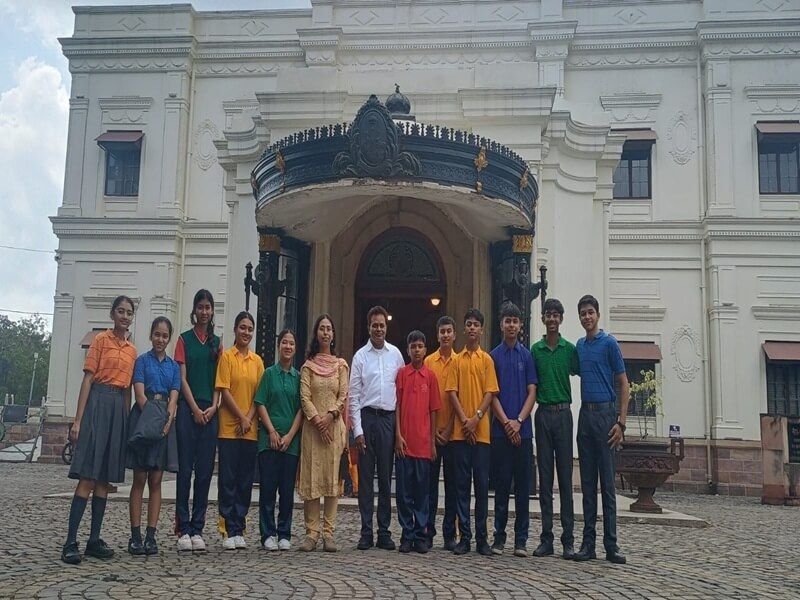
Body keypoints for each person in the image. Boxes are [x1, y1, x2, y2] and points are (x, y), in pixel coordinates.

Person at [61, 295, 138, 565]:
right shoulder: (100, 341)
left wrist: (126, 423)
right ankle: (70, 541)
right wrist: (78, 420)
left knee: (105, 478)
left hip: (118, 408)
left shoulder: (132, 350)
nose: (125, 316)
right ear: (112, 314)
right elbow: (88, 379)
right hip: (97, 402)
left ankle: (94, 539)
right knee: (88, 475)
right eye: (121, 311)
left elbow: (128, 390)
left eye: (129, 312)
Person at [574, 294, 629, 565]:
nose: (587, 317)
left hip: (606, 416)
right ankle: (588, 544)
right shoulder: (580, 346)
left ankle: (611, 544)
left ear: (597, 314)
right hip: (585, 415)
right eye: (583, 313)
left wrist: (621, 422)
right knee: (587, 485)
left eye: (590, 312)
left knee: (607, 484)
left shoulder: (610, 344)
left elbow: (624, 383)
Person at [349, 306, 405, 551]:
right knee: (365, 481)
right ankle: (366, 532)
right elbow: (353, 396)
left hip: (387, 421)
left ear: (386, 327)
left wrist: (398, 429)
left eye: (382, 325)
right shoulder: (360, 357)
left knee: (384, 478)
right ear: (369, 327)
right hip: (367, 418)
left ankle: (384, 531)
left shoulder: (396, 355)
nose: (378, 329)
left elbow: (400, 392)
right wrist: (357, 431)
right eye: (375, 325)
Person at [446, 308, 499, 557]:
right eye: (468, 324)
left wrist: (476, 418)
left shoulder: (486, 360)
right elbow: (452, 393)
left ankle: (482, 538)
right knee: (461, 487)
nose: (472, 328)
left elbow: (490, 393)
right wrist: (464, 421)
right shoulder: (456, 360)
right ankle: (464, 537)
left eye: (476, 324)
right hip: (460, 433)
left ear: (482, 329)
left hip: (482, 433)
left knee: (481, 487)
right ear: (464, 328)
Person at [127, 317, 181, 556]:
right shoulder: (141, 361)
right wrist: (153, 422)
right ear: (151, 335)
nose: (160, 339)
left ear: (169, 339)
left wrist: (168, 422)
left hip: (164, 420)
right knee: (139, 478)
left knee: (156, 480)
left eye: (165, 335)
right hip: (144, 417)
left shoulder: (173, 367)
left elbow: (174, 397)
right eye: (157, 334)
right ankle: (135, 535)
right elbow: (139, 395)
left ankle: (151, 535)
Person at [530, 298, 578, 560]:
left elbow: (584, 371)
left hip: (564, 415)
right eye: (548, 315)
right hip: (543, 415)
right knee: (545, 479)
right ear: (542, 319)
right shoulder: (535, 351)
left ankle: (568, 539)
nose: (551, 319)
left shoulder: (569, 350)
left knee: (565, 480)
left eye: (555, 315)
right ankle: (546, 538)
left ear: (561, 319)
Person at [175, 289, 221, 553]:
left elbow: (219, 380)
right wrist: (194, 408)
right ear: (195, 310)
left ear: (212, 311)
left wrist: (214, 407)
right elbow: (181, 378)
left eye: (208, 307)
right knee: (185, 471)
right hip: (188, 409)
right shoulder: (184, 340)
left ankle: (197, 527)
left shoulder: (217, 343)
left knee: (204, 473)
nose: (204, 311)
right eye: (201, 307)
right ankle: (182, 528)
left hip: (210, 410)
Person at [297, 314, 349, 552]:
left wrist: (330, 417)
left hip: (334, 428)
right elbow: (304, 397)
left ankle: (328, 532)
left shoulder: (341, 366)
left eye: (329, 329)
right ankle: (311, 533)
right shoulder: (308, 366)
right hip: (313, 429)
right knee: (312, 478)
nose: (326, 333)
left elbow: (343, 396)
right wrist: (318, 421)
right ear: (316, 334)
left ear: (333, 334)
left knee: (331, 479)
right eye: (322, 329)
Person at [489, 302, 537, 557]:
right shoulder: (493, 356)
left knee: (522, 489)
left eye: (515, 321)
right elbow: (492, 394)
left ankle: (521, 539)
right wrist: (507, 423)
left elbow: (532, 392)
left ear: (520, 325)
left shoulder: (526, 356)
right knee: (501, 487)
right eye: (507, 320)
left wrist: (518, 421)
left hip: (524, 432)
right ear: (501, 324)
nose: (511, 325)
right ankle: (499, 537)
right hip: (500, 432)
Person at [215, 311, 264, 550]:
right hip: (229, 429)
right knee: (228, 480)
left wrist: (249, 419)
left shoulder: (257, 361)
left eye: (249, 329)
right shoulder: (226, 357)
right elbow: (224, 390)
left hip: (249, 431)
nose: (246, 332)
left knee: (245, 481)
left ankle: (239, 527)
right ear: (235, 329)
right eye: (242, 327)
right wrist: (241, 417)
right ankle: (226, 528)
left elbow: (260, 395)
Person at [255, 329, 303, 551]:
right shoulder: (269, 374)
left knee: (286, 490)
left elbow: (301, 409)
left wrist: (290, 435)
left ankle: (284, 532)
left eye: (291, 343)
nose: (288, 347)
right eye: (284, 342)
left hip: (290, 443)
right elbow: (260, 403)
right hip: (269, 440)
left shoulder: (298, 377)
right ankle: (267, 533)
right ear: (278, 345)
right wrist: (272, 431)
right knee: (268, 489)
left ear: (295, 348)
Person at [395, 330, 441, 554]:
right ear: (408, 350)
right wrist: (398, 435)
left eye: (420, 346)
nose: (416, 350)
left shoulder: (430, 377)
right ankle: (406, 534)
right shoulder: (402, 374)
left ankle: (421, 534)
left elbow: (434, 410)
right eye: (413, 346)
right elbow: (397, 405)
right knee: (404, 493)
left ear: (425, 350)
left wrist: (432, 442)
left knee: (423, 493)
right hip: (405, 444)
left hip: (423, 445)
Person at [423, 315, 459, 551]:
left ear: (454, 335)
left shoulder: (460, 361)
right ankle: (428, 531)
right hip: (432, 434)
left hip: (454, 434)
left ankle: (449, 533)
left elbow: (460, 398)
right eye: (442, 331)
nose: (445, 335)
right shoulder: (428, 362)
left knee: (452, 487)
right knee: (430, 487)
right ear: (437, 335)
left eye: (449, 331)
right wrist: (434, 429)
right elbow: (424, 399)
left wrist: (448, 428)